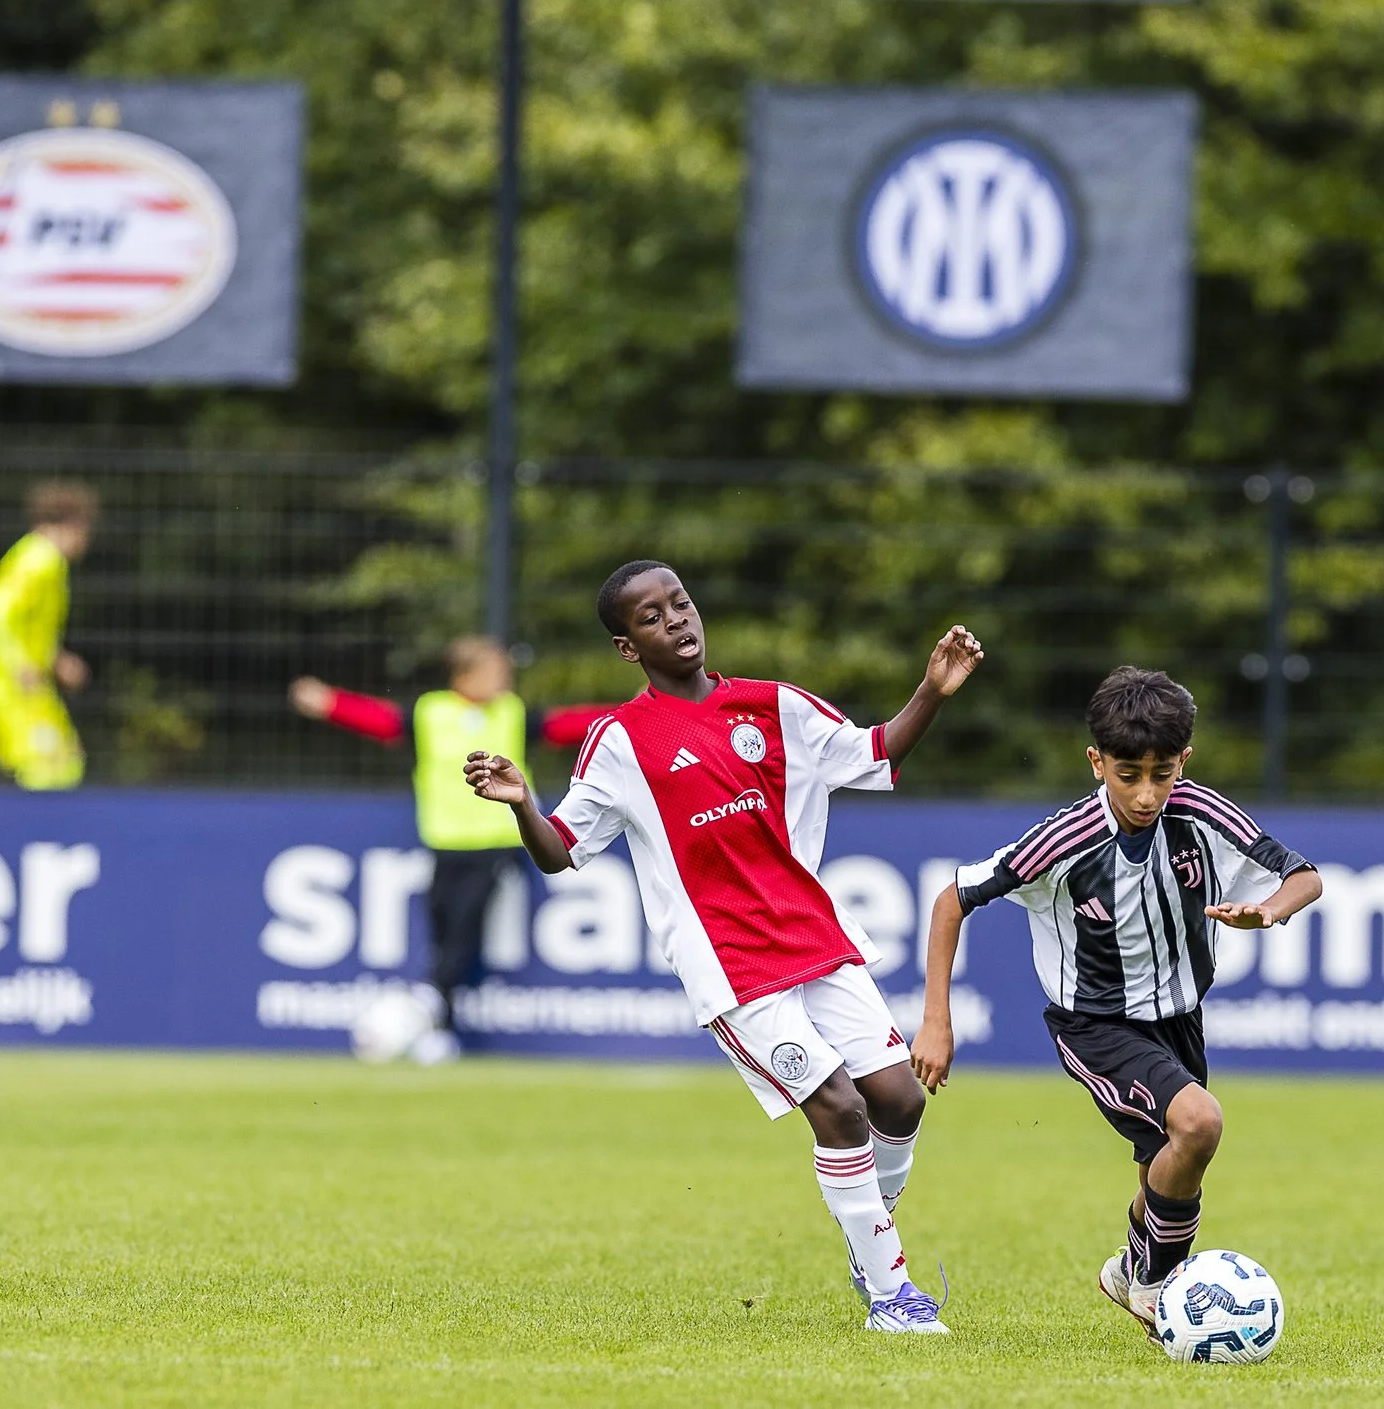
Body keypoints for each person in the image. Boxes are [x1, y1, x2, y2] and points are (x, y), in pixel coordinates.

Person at [462, 560, 982, 1334]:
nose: (675, 619)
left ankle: (865, 1227)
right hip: (733, 968)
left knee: (900, 1098)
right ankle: (891, 1295)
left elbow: (876, 754)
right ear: (626, 645)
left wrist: (932, 691)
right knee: (838, 1108)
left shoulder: (775, 705)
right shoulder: (618, 740)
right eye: (650, 616)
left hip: (817, 938)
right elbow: (560, 849)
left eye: (680, 602)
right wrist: (522, 804)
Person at [911, 666, 1322, 1331]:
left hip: (1179, 1020)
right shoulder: (1062, 842)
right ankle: (1159, 1288)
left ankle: (1131, 1270)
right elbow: (951, 899)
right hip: (1095, 1022)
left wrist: (1270, 910)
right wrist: (936, 1022)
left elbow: (1304, 876)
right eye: (1128, 774)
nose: (1146, 792)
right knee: (1199, 1122)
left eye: (1163, 773)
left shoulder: (1203, 813)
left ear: (1183, 761)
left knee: (1168, 1169)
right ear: (1096, 761)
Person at [290, 637, 614, 1064]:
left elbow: (565, 725)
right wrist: (330, 703)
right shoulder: (431, 712)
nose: (503, 679)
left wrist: (625, 716)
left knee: (463, 933)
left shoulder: (511, 713)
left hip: (495, 844)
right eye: (493, 671)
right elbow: (380, 720)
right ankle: (437, 1031)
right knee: (444, 936)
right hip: (444, 843)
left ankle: (425, 1008)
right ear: (464, 675)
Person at [0, 480, 98, 792]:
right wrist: (19, 664)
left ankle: (38, 834)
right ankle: (34, 834)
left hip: (22, 685)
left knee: (65, 762)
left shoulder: (40, 558)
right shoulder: (40, 560)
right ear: (72, 525)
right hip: (6, 685)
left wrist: (55, 658)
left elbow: (21, 625)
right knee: (48, 767)